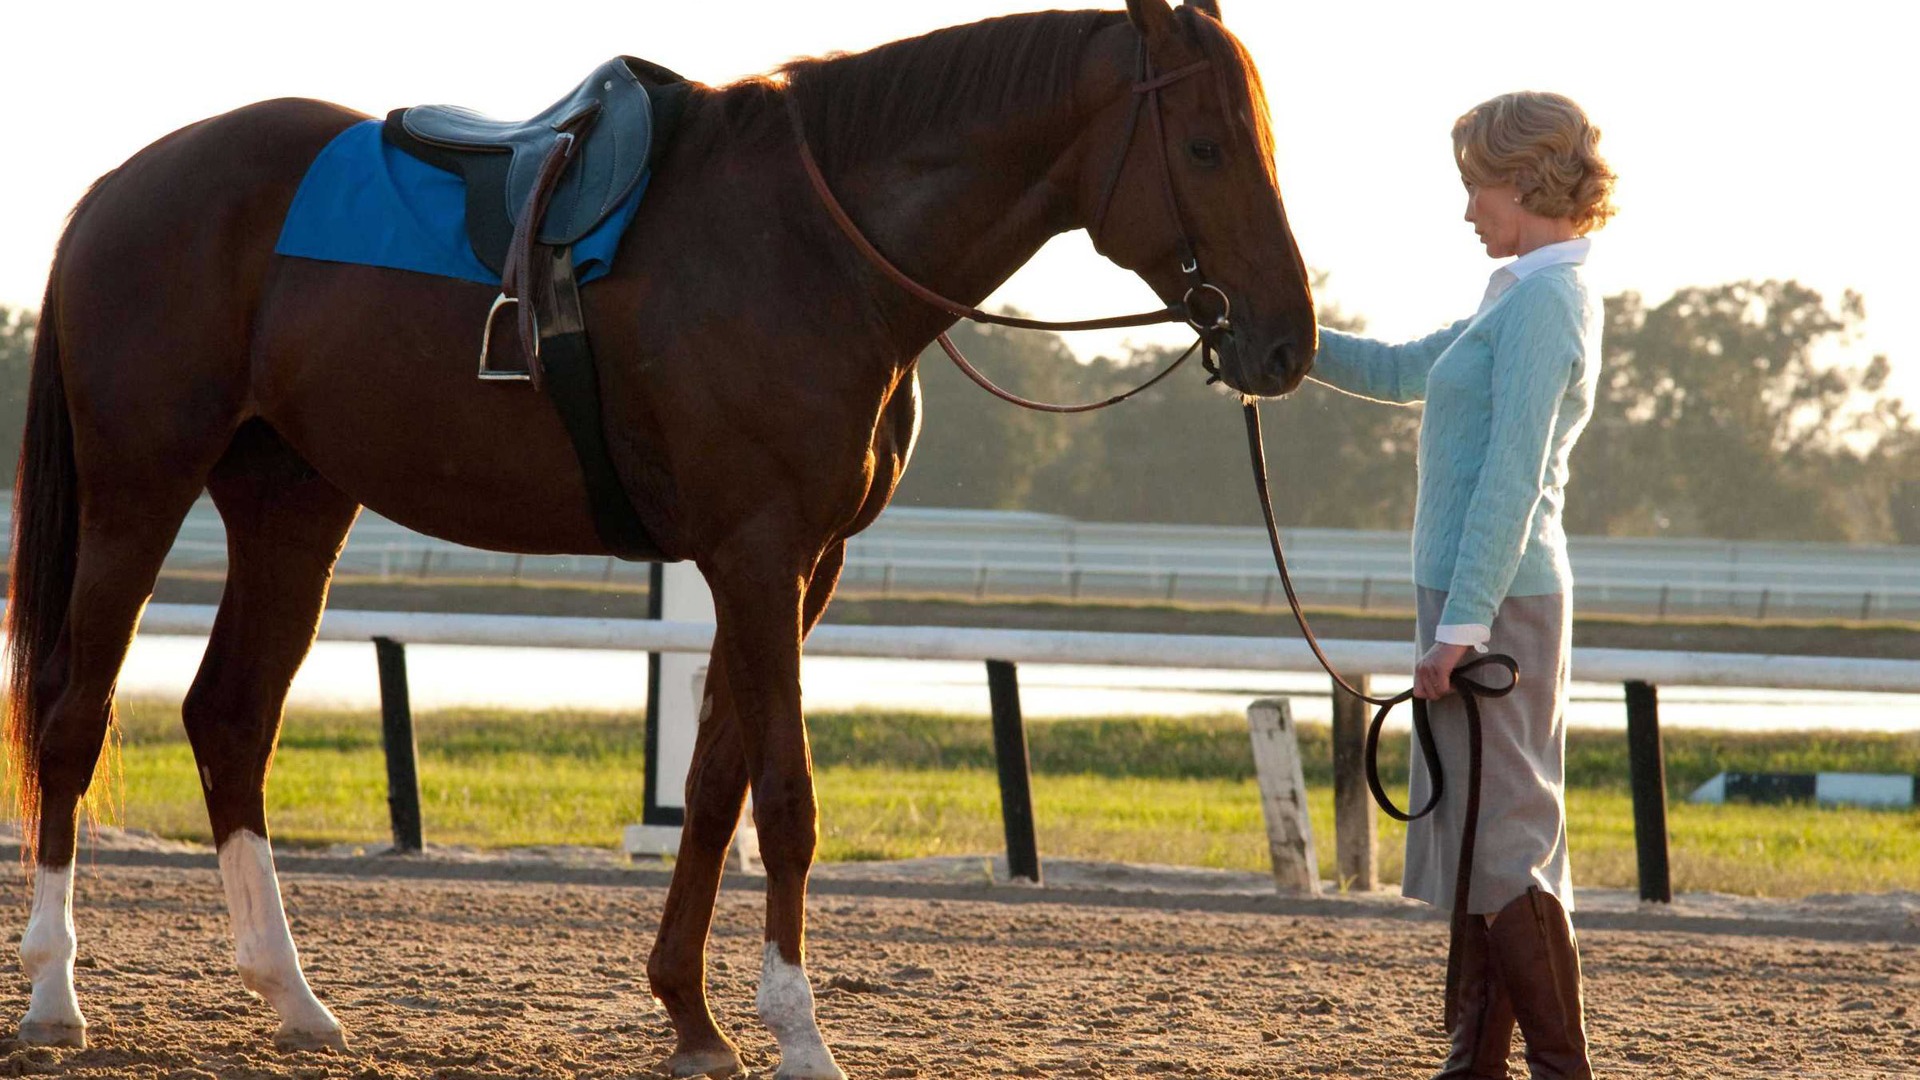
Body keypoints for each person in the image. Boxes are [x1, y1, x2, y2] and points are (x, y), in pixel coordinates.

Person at [1309, 91, 1616, 1080]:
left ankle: (1559, 1070)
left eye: (1474, 187)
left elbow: (1513, 478)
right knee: (1484, 840)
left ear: (1521, 181)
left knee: (1503, 842)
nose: (1468, 210)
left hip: (1499, 603)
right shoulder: (1515, 293)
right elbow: (1405, 371)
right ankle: (1471, 1064)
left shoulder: (1546, 304)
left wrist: (1464, 628)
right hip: (1473, 599)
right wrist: (1280, 345)